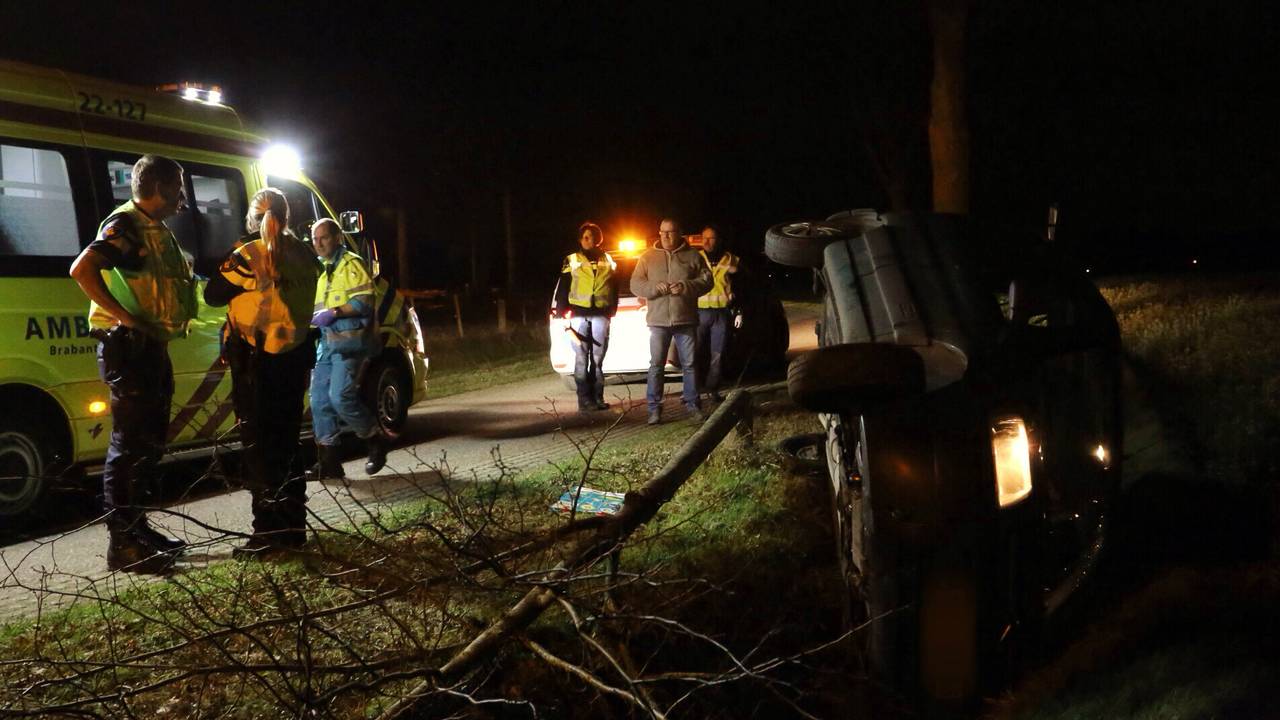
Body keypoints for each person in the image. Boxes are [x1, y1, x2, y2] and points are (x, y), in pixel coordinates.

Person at [69, 154, 197, 574]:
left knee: (149, 443)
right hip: (129, 347)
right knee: (129, 447)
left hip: (150, 347)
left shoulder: (155, 229)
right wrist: (127, 320)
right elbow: (82, 269)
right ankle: (123, 545)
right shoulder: (124, 224)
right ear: (158, 187)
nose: (183, 196)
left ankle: (139, 530)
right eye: (178, 186)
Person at [204, 188, 320, 558]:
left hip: (257, 364)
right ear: (288, 216)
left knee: (259, 450)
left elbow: (212, 294)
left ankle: (268, 533)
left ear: (252, 218)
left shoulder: (248, 254)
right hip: (294, 359)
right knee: (288, 445)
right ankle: (293, 528)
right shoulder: (304, 253)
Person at [306, 218, 387, 479]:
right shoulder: (322, 269)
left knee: (340, 397)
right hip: (327, 343)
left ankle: (375, 439)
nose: (318, 244)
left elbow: (364, 301)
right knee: (319, 400)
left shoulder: (351, 264)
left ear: (337, 238)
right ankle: (329, 462)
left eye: (324, 238)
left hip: (349, 343)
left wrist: (335, 312)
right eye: (314, 239)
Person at [630, 218, 712, 425]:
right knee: (656, 365)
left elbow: (707, 281)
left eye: (670, 232)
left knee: (690, 364)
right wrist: (653, 289)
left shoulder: (694, 255)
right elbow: (635, 284)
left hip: (685, 319)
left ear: (679, 233)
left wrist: (685, 287)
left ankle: (693, 406)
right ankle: (654, 409)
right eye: (662, 232)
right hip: (658, 322)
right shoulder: (647, 257)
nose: (665, 236)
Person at [552, 221, 618, 412]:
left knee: (597, 360)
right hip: (579, 315)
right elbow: (564, 285)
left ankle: (598, 397)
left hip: (600, 314)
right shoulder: (571, 259)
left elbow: (614, 286)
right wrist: (560, 313)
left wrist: (611, 310)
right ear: (581, 239)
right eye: (587, 237)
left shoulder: (609, 259)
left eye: (594, 237)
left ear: (600, 239)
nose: (591, 240)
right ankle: (584, 401)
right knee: (581, 358)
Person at [695, 225, 742, 403]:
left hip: (722, 313)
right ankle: (693, 392)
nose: (707, 241)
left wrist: (738, 309)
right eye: (704, 238)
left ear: (718, 240)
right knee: (695, 353)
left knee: (718, 354)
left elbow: (740, 284)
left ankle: (713, 389)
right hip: (699, 312)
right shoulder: (696, 258)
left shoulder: (730, 259)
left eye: (711, 238)